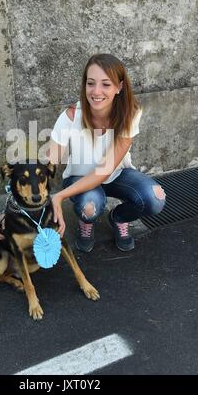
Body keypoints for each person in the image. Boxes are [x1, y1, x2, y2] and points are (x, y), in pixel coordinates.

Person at [48, 53, 166, 252]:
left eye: (106, 84)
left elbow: (104, 170)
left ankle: (118, 217)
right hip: (79, 177)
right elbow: (47, 165)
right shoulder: (71, 116)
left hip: (115, 174)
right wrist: (16, 206)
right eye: (91, 83)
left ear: (119, 87)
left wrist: (58, 197)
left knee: (155, 198)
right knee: (90, 206)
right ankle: (87, 219)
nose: (96, 91)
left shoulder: (130, 113)